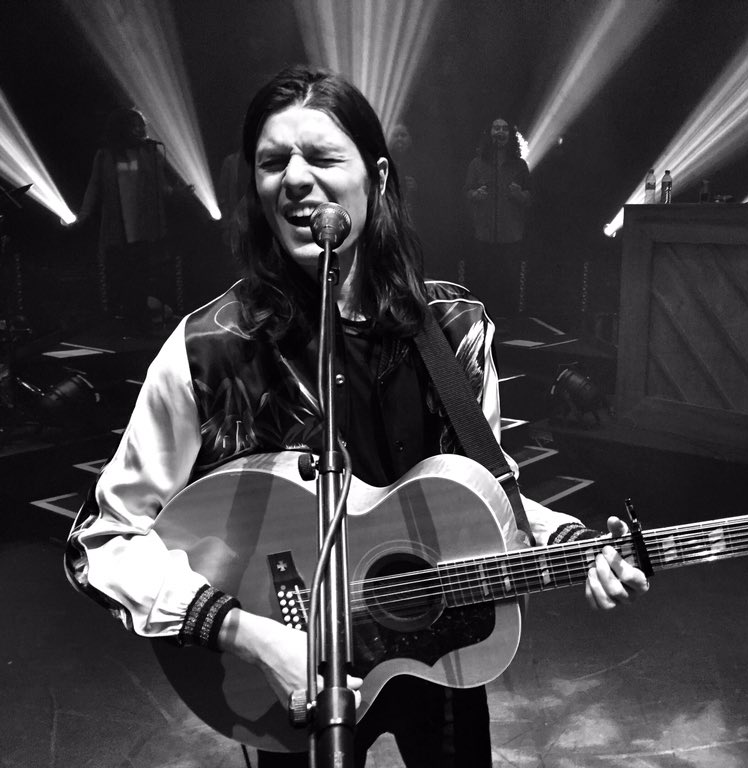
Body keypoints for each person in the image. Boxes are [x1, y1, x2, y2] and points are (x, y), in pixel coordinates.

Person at [64, 65, 648, 768]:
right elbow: (102, 541)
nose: (295, 179)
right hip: (290, 676)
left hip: (441, 654)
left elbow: (491, 501)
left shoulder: (455, 331)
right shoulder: (208, 349)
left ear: (377, 177)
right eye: (272, 163)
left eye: (322, 157)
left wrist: (575, 545)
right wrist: (247, 633)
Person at [77, 107, 188, 331]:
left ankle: (139, 323)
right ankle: (130, 321)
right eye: (134, 125)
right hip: (118, 229)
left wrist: (178, 193)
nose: (139, 130)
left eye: (141, 125)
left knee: (141, 276)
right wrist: (82, 216)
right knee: (123, 276)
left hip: (145, 227)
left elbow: (163, 188)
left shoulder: (151, 153)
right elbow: (94, 187)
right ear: (121, 128)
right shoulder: (105, 155)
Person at [463, 117, 532, 317]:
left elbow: (531, 198)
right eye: (496, 128)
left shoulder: (519, 165)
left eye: (504, 129)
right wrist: (475, 195)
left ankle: (507, 319)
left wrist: (519, 194)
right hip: (484, 234)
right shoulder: (477, 164)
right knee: (484, 279)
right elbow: (466, 192)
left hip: (511, 235)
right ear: (490, 133)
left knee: (508, 281)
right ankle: (483, 319)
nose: (500, 132)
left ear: (510, 135)